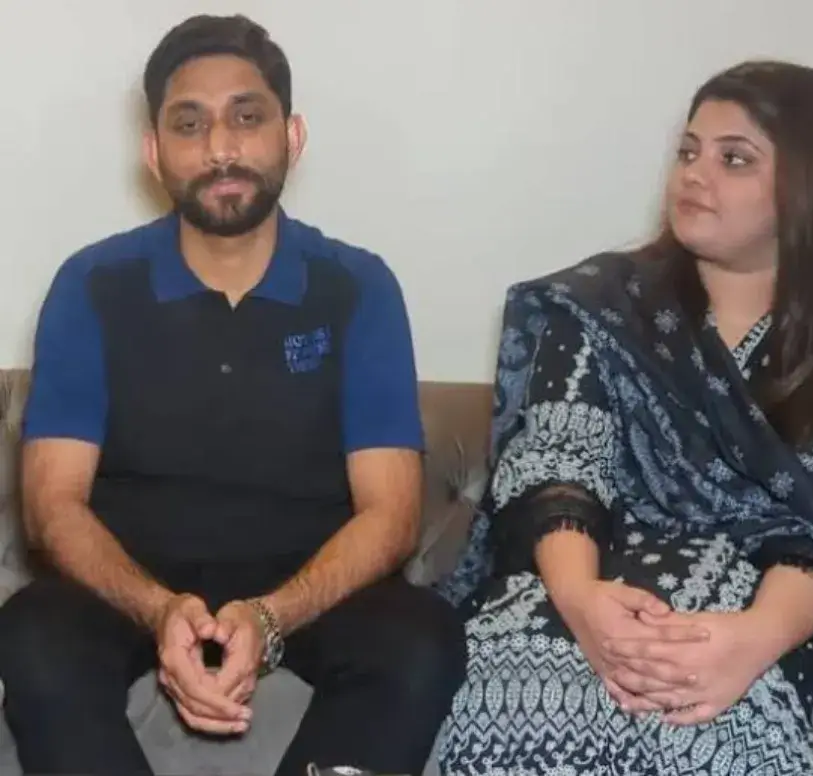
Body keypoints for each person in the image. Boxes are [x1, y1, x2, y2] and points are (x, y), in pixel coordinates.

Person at [0, 14, 465, 776]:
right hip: (132, 581)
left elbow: (390, 511)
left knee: (423, 637)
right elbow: (55, 504)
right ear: (154, 154)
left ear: (293, 136)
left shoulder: (358, 286)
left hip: (306, 584)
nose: (221, 148)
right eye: (190, 124)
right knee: (31, 632)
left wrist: (269, 619)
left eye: (247, 117)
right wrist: (158, 611)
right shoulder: (91, 284)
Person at [436, 60, 813, 775]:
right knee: (520, 669)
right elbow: (557, 463)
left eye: (732, 158)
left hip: (764, 612)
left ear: (809, 187)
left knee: (699, 711)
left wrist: (749, 642)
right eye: (687, 150)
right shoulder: (602, 305)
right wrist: (582, 602)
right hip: (586, 578)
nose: (693, 173)